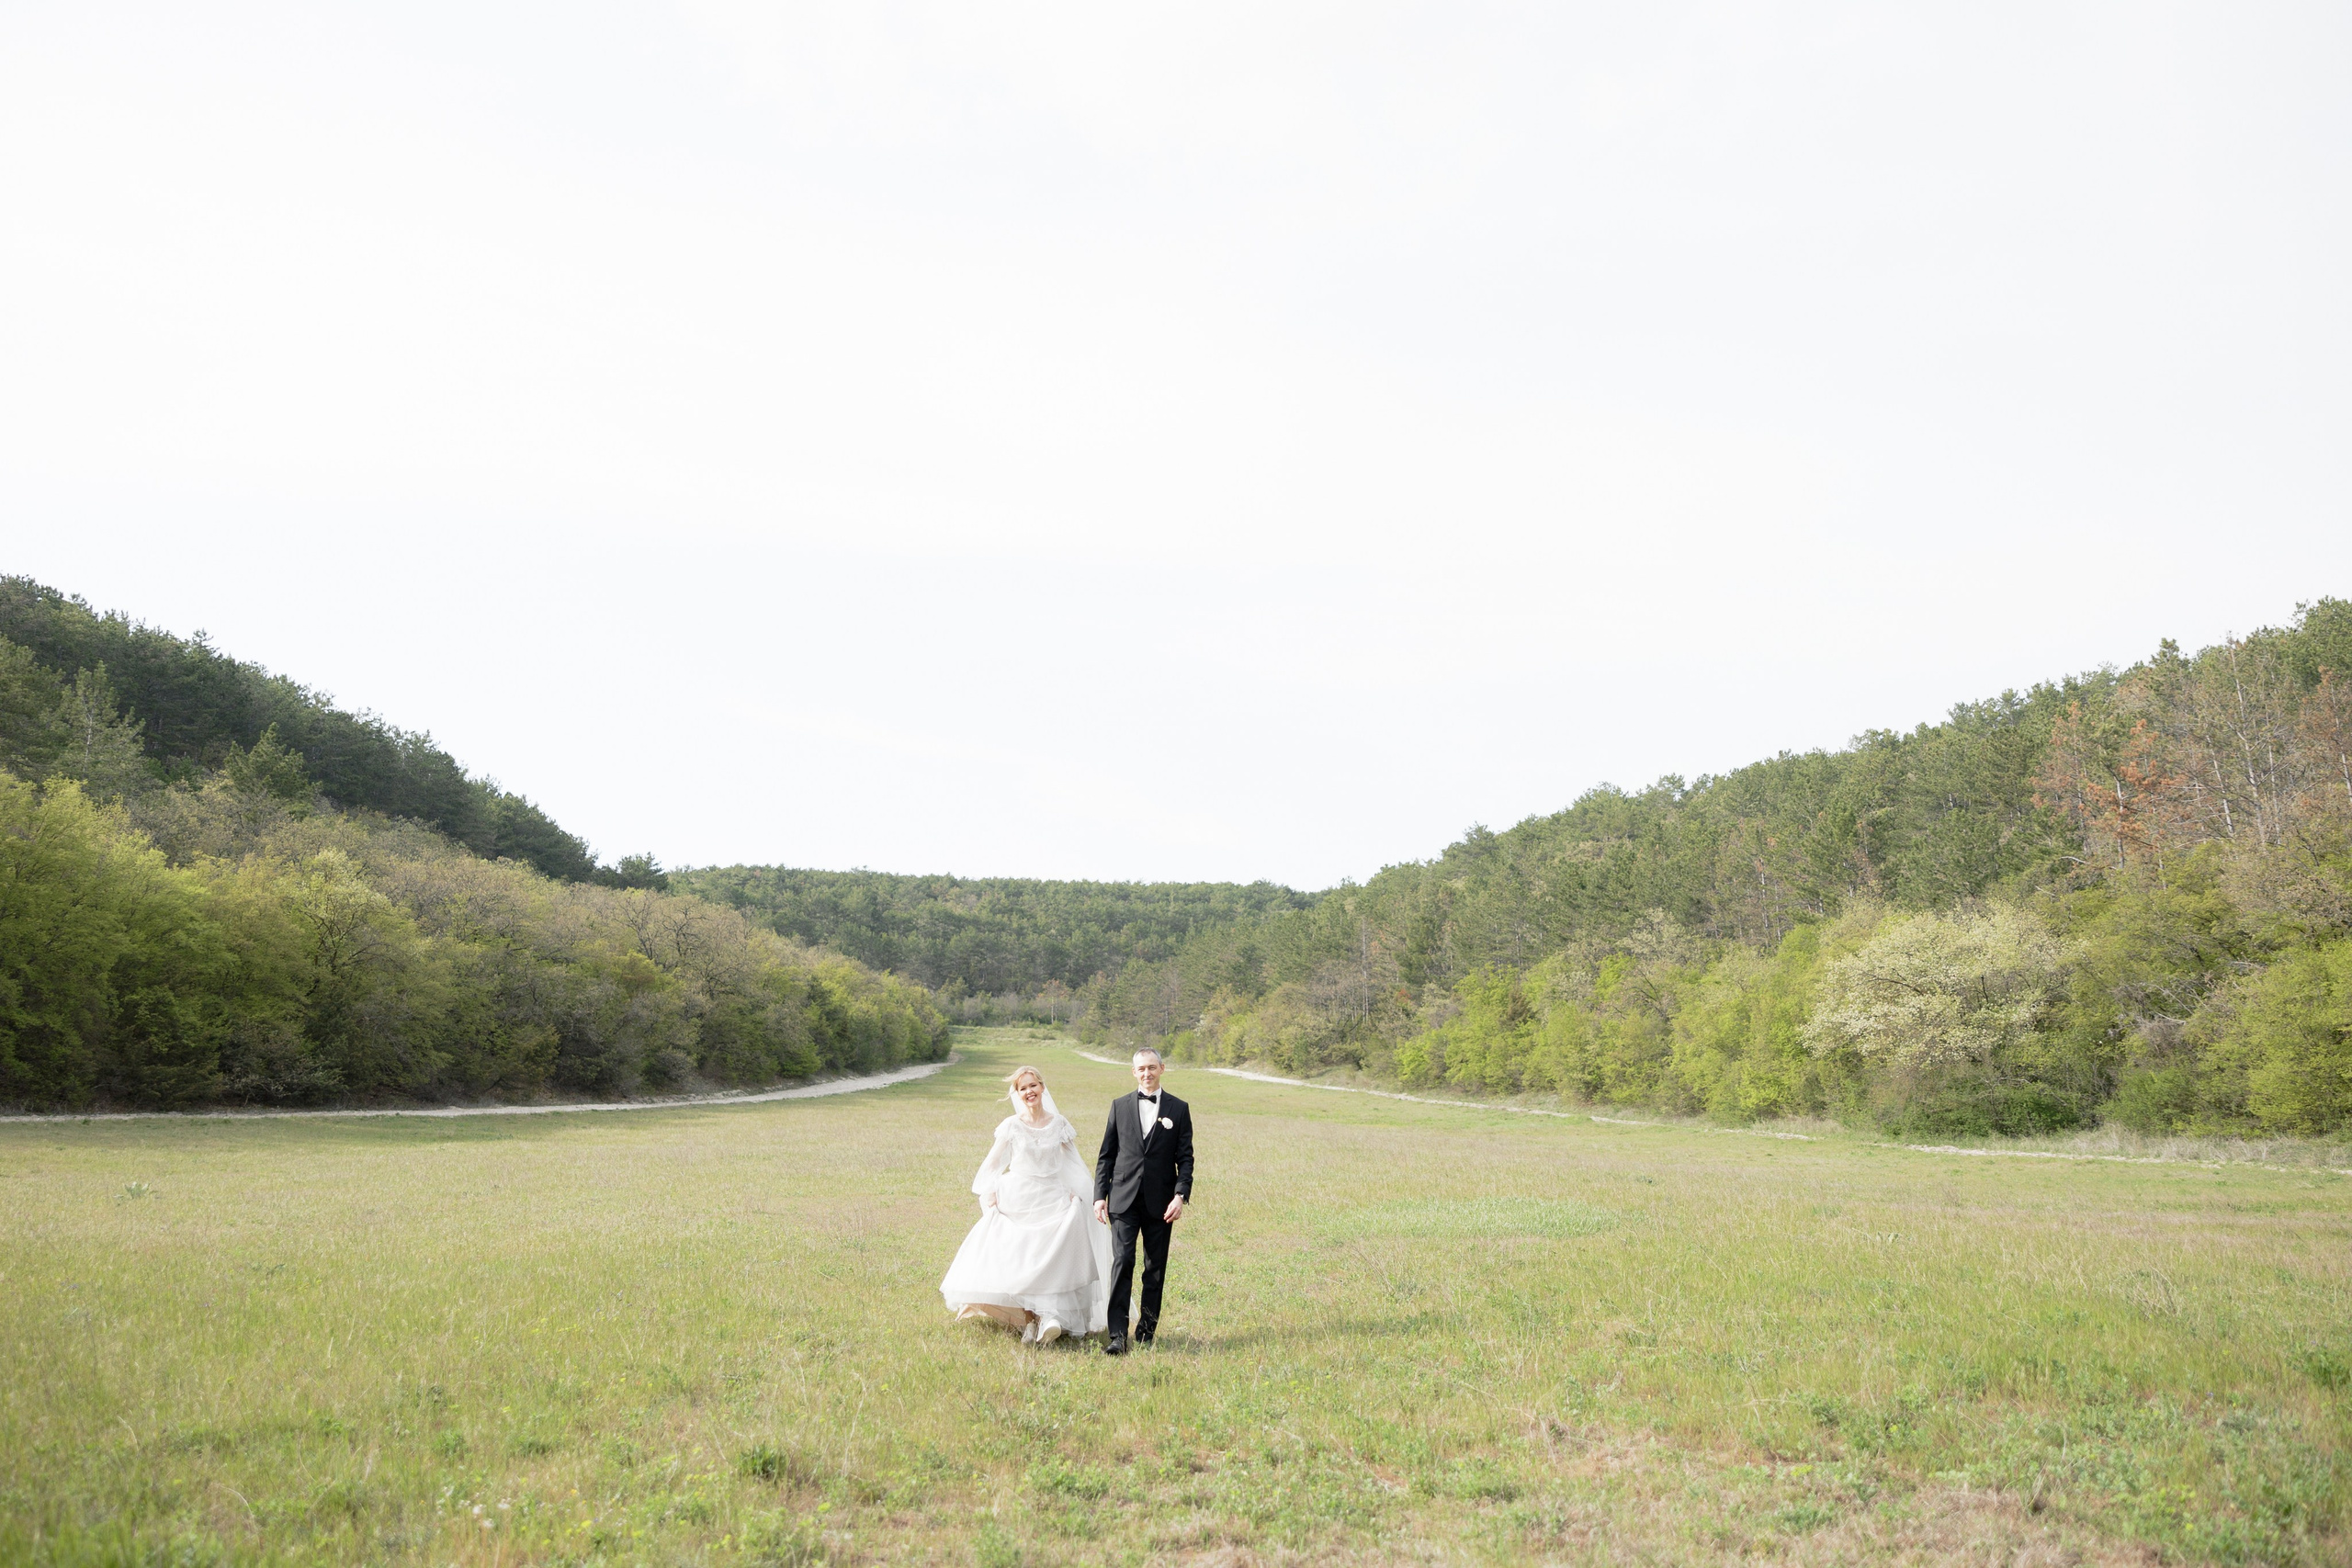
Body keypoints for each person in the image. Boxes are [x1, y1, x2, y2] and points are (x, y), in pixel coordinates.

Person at [940, 1066, 1112, 1343]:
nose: (1029, 1092)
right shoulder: (1011, 1125)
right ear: (1017, 1094)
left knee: (1054, 1252)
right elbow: (992, 1164)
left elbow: (1074, 1163)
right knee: (1022, 1256)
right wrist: (990, 1192)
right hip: (1019, 1195)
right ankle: (1030, 1320)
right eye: (1023, 1088)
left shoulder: (1059, 1124)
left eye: (1033, 1085)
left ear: (1042, 1087)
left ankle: (1049, 1317)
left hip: (1052, 1194)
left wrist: (1081, 1193)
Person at [1092, 1046, 1194, 1356]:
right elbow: (1106, 1155)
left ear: (1162, 1068)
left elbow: (1185, 1158)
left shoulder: (1179, 1108)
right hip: (1122, 1199)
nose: (1147, 1073)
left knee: (1155, 1268)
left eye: (1152, 1067)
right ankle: (1117, 1336)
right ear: (1133, 1072)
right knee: (1122, 1262)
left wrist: (1180, 1196)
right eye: (1141, 1069)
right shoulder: (1119, 1106)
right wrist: (1099, 1197)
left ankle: (1146, 1334)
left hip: (1161, 1203)